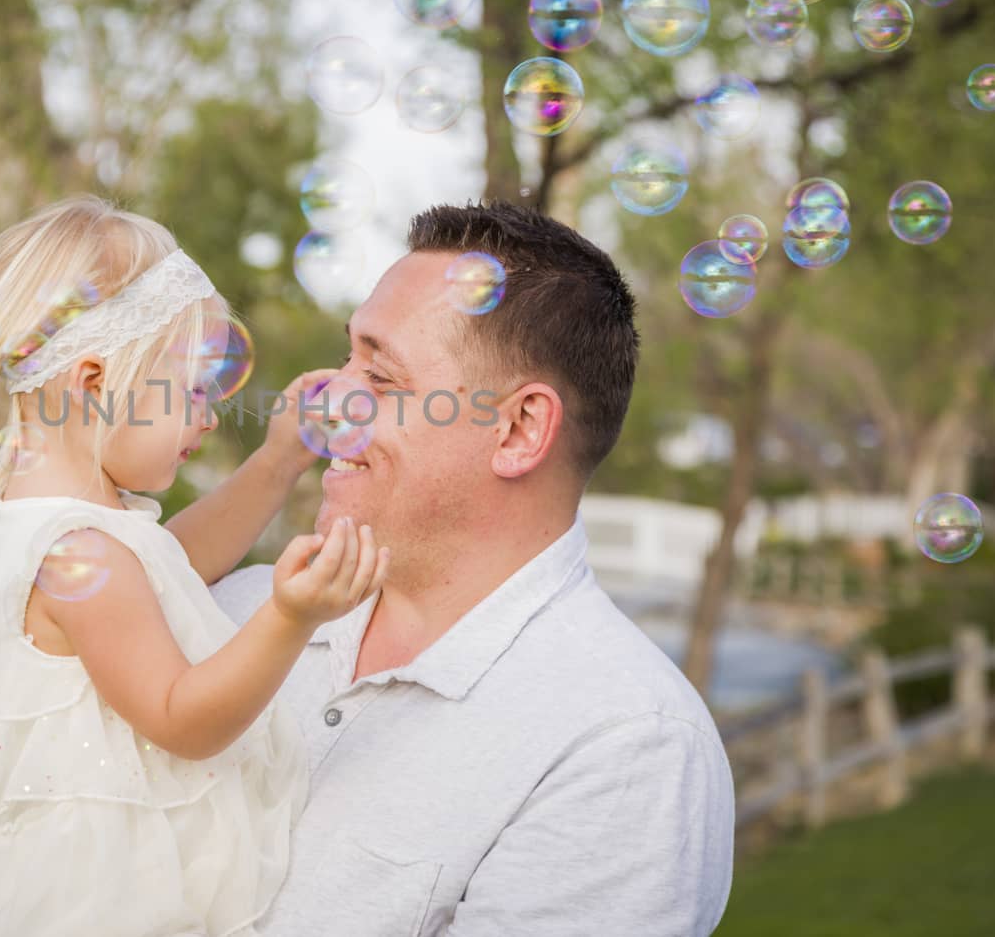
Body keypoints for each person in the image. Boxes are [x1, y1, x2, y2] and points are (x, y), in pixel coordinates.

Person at [208, 201, 737, 936]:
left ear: (519, 430)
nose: (328, 401)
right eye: (346, 359)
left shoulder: (625, 750)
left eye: (381, 376)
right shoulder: (228, 611)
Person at [0, 195, 387, 937]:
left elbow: (172, 560)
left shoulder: (76, 525)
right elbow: (182, 717)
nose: (208, 417)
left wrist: (277, 462)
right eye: (193, 389)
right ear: (91, 383)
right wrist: (289, 617)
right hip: (89, 899)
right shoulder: (78, 552)